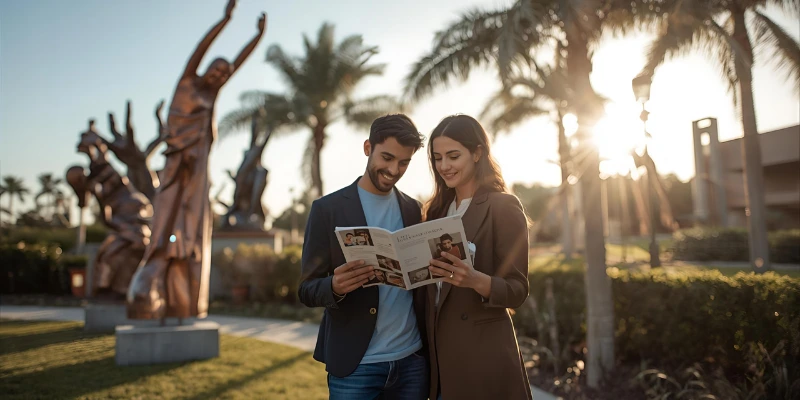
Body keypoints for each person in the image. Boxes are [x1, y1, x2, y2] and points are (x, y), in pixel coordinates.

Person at [298, 114, 428, 399]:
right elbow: (306, 290)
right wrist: (333, 286)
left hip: (412, 362)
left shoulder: (414, 210)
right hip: (357, 366)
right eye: (387, 157)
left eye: (404, 162)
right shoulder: (327, 209)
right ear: (368, 147)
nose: (394, 169)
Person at [424, 114, 532, 399]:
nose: (444, 166)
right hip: (440, 354)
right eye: (437, 158)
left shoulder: (502, 206)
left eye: (453, 156)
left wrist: (475, 280)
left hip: (483, 355)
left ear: (477, 153)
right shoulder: (436, 212)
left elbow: (517, 289)